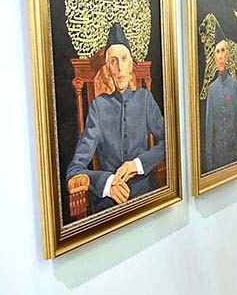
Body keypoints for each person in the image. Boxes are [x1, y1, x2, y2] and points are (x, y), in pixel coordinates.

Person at [66, 22, 166, 212]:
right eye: (113, 61)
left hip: (146, 195)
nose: (119, 67)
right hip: (108, 203)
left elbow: (171, 142)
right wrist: (108, 183)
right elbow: (75, 169)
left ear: (131, 65)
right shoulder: (98, 107)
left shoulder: (144, 98)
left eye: (123, 59)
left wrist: (137, 165)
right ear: (108, 68)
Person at [203, 28, 237, 172]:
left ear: (227, 55)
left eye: (223, 51)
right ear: (214, 57)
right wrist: (209, 160)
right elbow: (209, 128)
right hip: (217, 155)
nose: (220, 56)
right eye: (217, 52)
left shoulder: (234, 85)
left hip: (233, 153)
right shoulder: (212, 90)